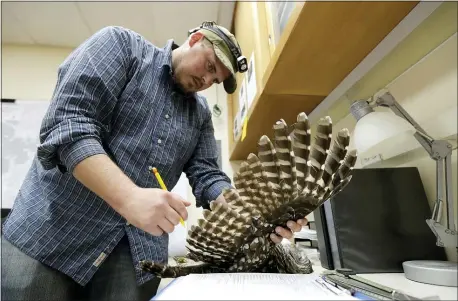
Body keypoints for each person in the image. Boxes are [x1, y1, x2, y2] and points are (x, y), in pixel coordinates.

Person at [1, 22, 308, 301]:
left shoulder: (200, 115)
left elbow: (207, 175)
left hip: (135, 252)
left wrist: (247, 211)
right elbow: (69, 126)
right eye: (210, 65)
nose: (206, 79)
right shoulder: (121, 47)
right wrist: (129, 197)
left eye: (215, 79)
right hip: (52, 230)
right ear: (195, 39)